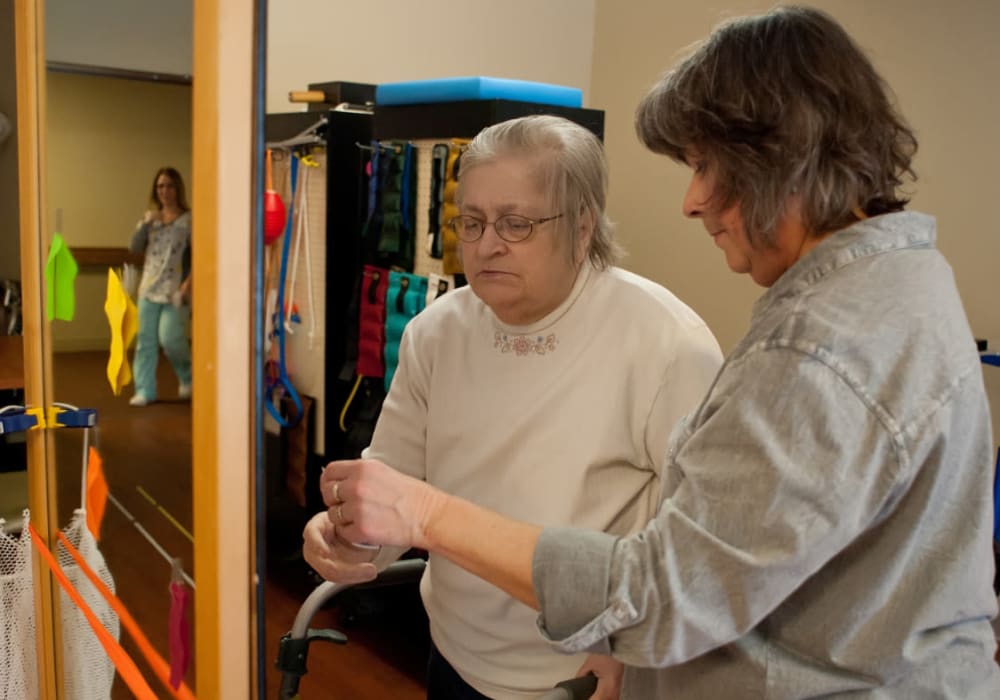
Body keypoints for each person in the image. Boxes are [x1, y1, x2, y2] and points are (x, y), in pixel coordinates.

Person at [319, 6, 1000, 699]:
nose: (692, 200)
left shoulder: (813, 350)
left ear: (781, 158)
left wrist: (430, 515)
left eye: (707, 165)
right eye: (472, 221)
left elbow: (665, 597)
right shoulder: (905, 282)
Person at [302, 114, 723, 699]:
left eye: (516, 224)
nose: (486, 245)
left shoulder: (667, 344)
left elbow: (696, 556)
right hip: (453, 652)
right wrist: (347, 533)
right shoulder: (434, 333)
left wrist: (634, 648)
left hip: (580, 677)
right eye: (470, 223)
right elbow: (395, 484)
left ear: (582, 228)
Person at [128, 166, 193, 407]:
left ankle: (187, 377)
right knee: (146, 342)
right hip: (149, 288)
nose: (165, 191)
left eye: (169, 186)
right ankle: (144, 390)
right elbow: (134, 247)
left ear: (178, 189)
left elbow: (199, 254)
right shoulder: (150, 219)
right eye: (160, 187)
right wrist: (144, 224)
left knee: (170, 339)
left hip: (176, 290)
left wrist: (189, 283)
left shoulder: (188, 220)